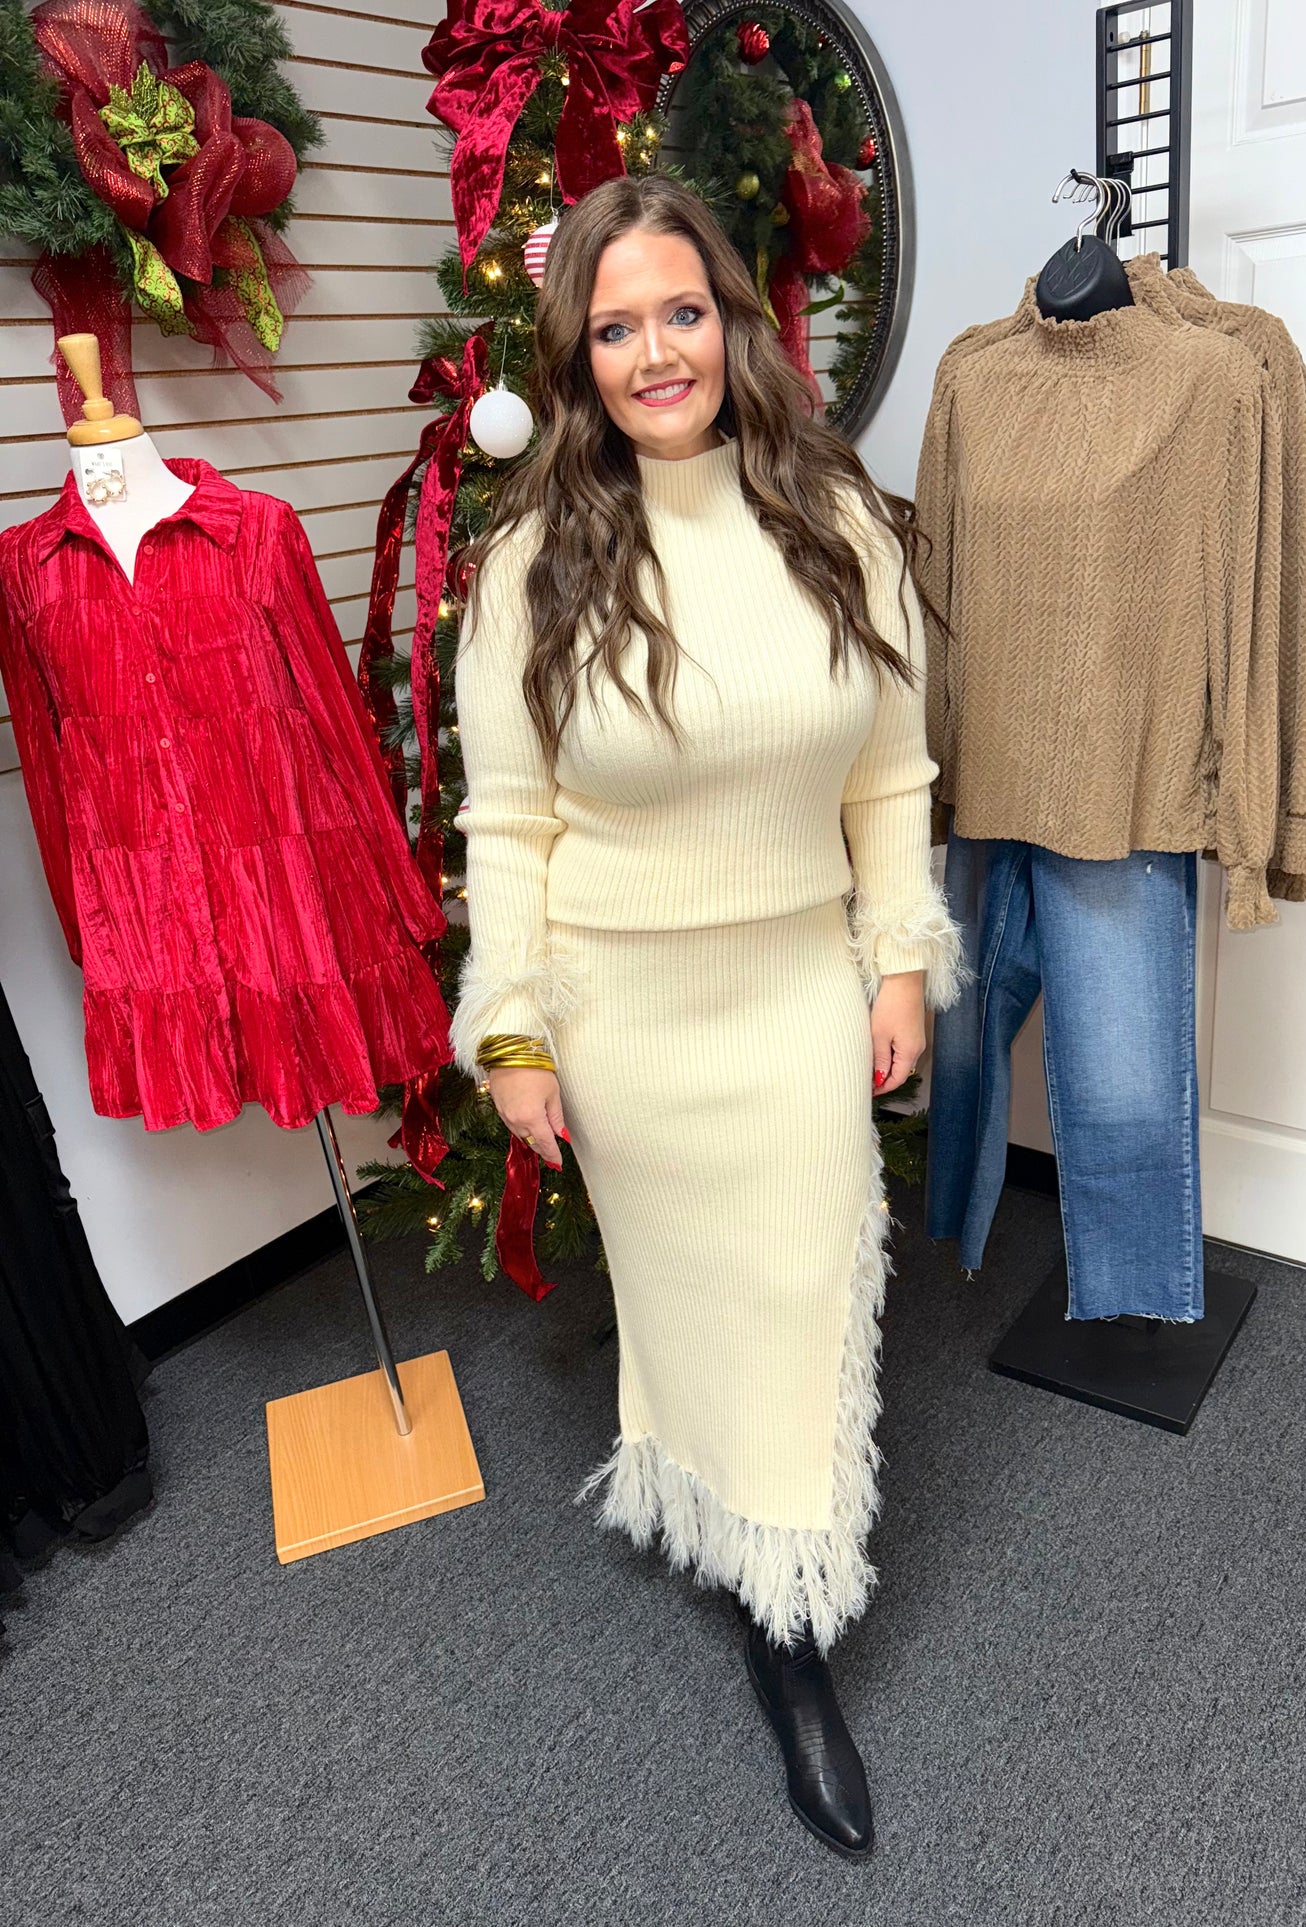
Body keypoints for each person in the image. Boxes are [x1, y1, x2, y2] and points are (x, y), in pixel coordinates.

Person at [451, 174, 964, 1859]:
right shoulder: (527, 564)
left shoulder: (836, 520)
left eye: (680, 311)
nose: (654, 352)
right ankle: (769, 1593)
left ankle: (789, 1597)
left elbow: (890, 773)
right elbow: (508, 826)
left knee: (808, 1287)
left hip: (793, 992)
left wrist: (898, 958)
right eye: (613, 327)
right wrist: (511, 1031)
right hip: (627, 1019)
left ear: (732, 319)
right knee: (688, 1302)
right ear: (576, 354)